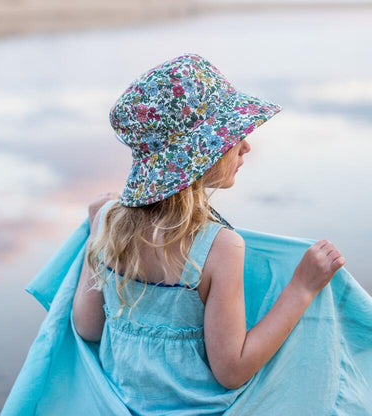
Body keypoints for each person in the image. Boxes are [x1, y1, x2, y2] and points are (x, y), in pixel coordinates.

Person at [71, 52, 346, 414]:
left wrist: (97, 226)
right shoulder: (219, 247)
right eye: (230, 136)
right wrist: (302, 287)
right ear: (197, 157)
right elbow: (232, 370)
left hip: (120, 404)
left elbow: (88, 327)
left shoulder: (108, 224)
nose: (246, 144)